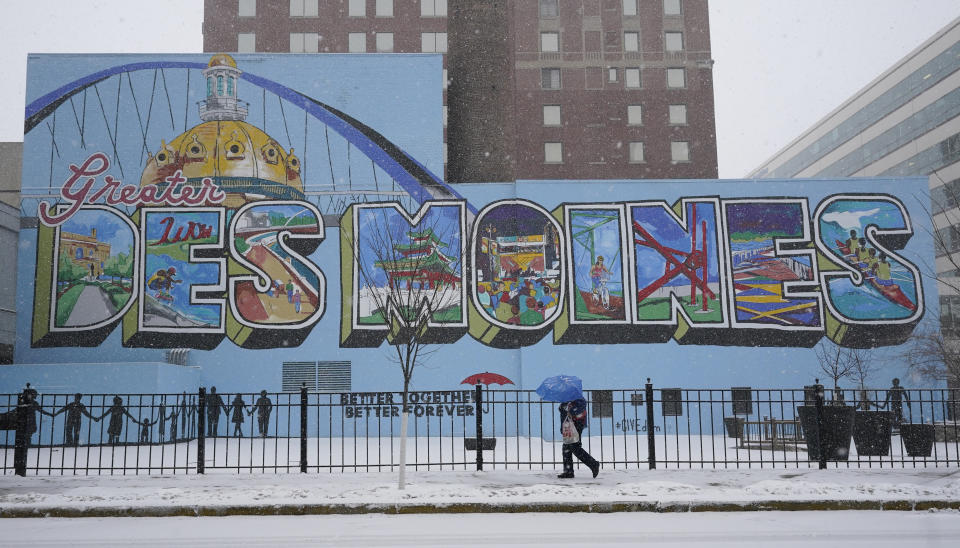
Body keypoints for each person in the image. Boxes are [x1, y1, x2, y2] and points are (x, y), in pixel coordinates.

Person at [557, 398, 599, 479]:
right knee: (566, 448)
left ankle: (593, 464)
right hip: (568, 425)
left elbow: (580, 407)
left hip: (576, 424)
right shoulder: (565, 398)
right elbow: (563, 411)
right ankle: (568, 471)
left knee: (575, 447)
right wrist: (562, 407)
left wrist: (570, 409)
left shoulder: (578, 397)